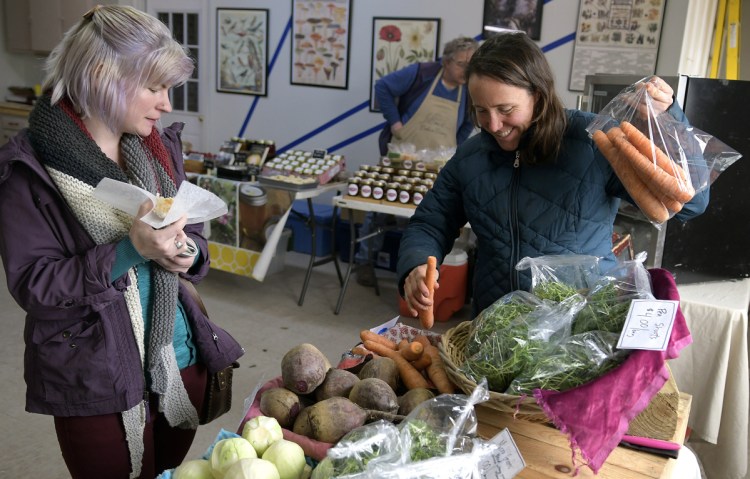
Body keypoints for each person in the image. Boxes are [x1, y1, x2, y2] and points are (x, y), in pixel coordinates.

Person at [0, 5, 243, 478]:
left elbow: (191, 238)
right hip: (96, 378)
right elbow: (35, 286)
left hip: (178, 360)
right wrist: (131, 250)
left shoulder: (156, 146)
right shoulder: (28, 172)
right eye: (154, 88)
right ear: (100, 76)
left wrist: (186, 251)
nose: (167, 104)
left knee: (170, 471)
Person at [397, 32, 710, 319]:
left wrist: (666, 122)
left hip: (582, 327)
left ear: (538, 94)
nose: (492, 124)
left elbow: (692, 204)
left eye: (505, 109)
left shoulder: (594, 141)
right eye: (481, 110)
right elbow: (430, 222)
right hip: (497, 328)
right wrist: (415, 264)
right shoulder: (472, 157)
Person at [357, 36, 479, 286]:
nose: (467, 70)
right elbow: (382, 87)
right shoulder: (421, 73)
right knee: (380, 207)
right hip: (402, 156)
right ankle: (364, 261)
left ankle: (413, 269)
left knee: (427, 217)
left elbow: (470, 120)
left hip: (438, 164)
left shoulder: (469, 89)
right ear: (446, 61)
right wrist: (396, 123)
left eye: (471, 64)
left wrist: (453, 145)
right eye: (462, 64)